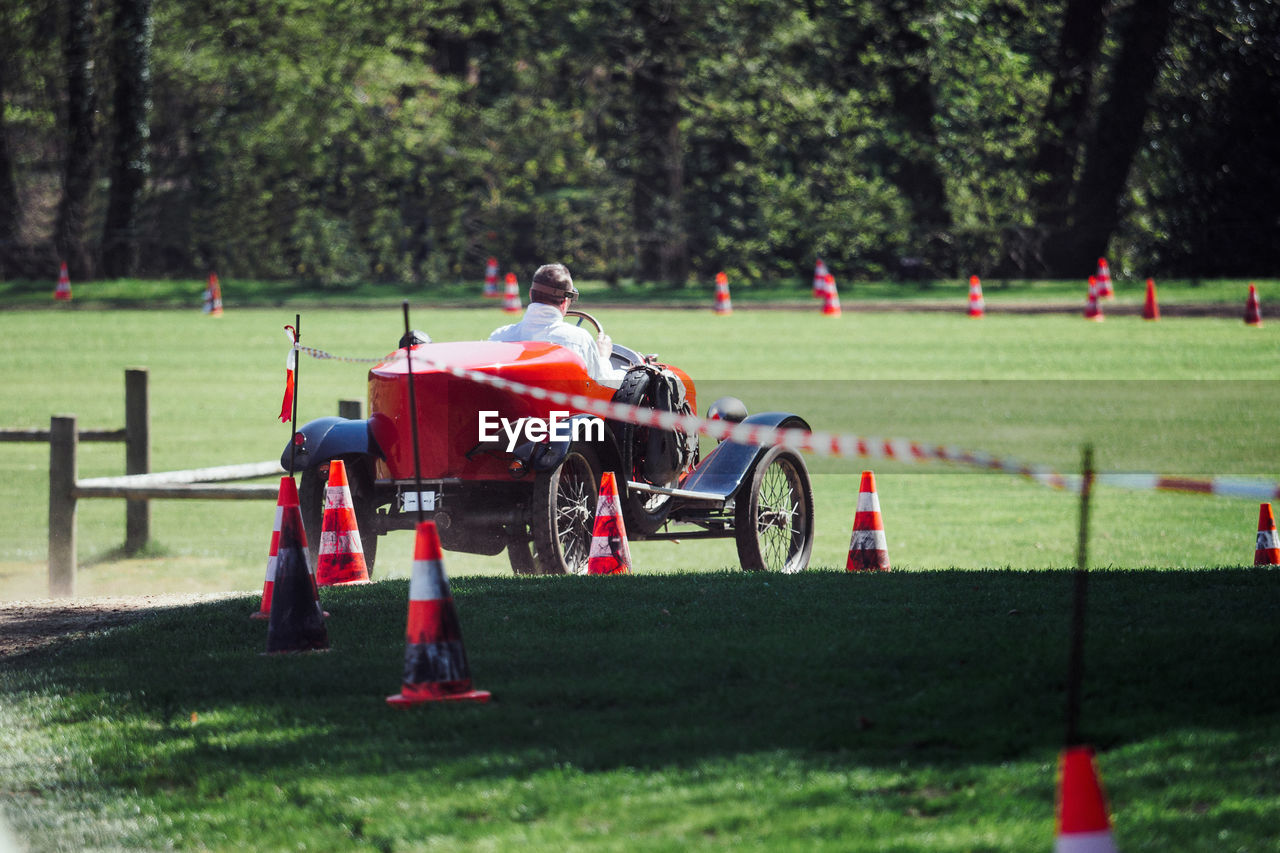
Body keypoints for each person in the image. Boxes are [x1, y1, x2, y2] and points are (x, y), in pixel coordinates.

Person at [489, 263, 628, 388]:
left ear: (531, 294)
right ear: (565, 302)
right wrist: (603, 357)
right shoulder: (578, 339)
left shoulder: (498, 337)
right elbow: (604, 381)